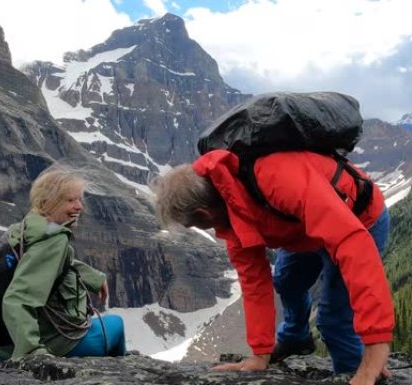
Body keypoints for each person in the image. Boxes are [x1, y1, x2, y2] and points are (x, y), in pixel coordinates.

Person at [151, 149, 393, 385]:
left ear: (203, 213)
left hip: (359, 221)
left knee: (333, 319)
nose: (208, 230)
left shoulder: (277, 179)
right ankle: (296, 338)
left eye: (196, 224)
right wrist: (260, 353)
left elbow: (354, 246)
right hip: (304, 230)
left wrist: (376, 343)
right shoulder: (229, 209)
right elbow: (254, 282)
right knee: (287, 280)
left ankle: (359, 373)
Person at [0, 168, 126, 360]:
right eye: (70, 200)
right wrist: (31, 352)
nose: (79, 207)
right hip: (52, 343)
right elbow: (17, 298)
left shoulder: (24, 229)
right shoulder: (53, 240)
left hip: (6, 345)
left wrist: (95, 278)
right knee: (117, 324)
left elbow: (54, 262)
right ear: (47, 203)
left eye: (79, 199)